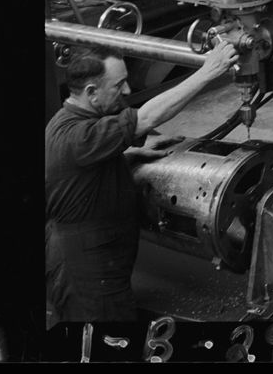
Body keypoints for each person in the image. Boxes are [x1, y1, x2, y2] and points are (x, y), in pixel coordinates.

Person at [46, 43, 240, 324]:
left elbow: (75, 176)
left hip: (94, 261)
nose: (126, 92)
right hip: (87, 274)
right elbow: (147, 117)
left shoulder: (67, 121)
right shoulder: (79, 136)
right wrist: (209, 71)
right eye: (119, 85)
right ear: (91, 92)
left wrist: (126, 156)